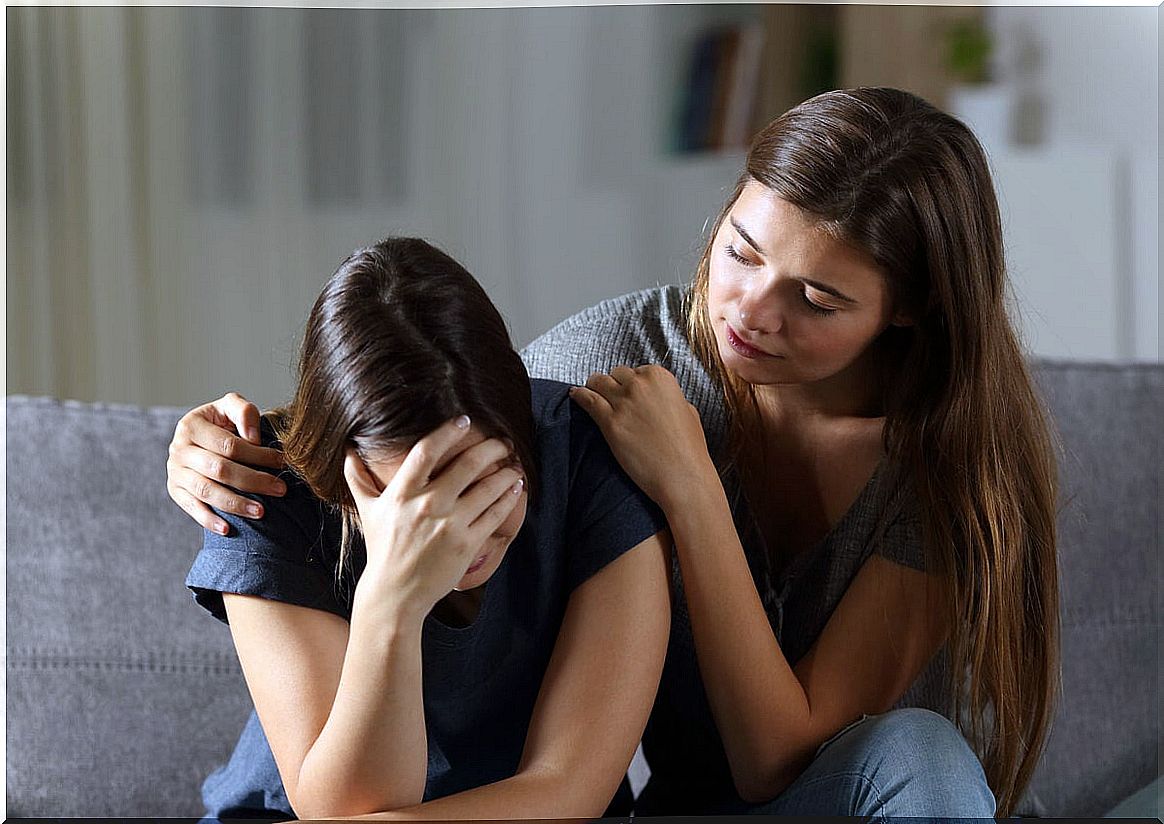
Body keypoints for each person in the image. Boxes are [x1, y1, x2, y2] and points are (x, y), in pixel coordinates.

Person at [168, 88, 1059, 817]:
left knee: (920, 748)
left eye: (818, 301)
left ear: (908, 309)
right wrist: (225, 443)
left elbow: (775, 764)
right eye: (739, 251)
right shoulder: (618, 361)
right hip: (672, 807)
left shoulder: (956, 472)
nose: (748, 309)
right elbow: (439, 407)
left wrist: (691, 489)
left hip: (830, 798)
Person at [180, 237, 672, 820]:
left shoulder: (586, 454)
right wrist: (393, 598)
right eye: (414, 503)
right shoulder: (264, 490)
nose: (458, 536)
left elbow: (569, 789)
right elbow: (348, 806)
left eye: (485, 487)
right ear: (345, 478)